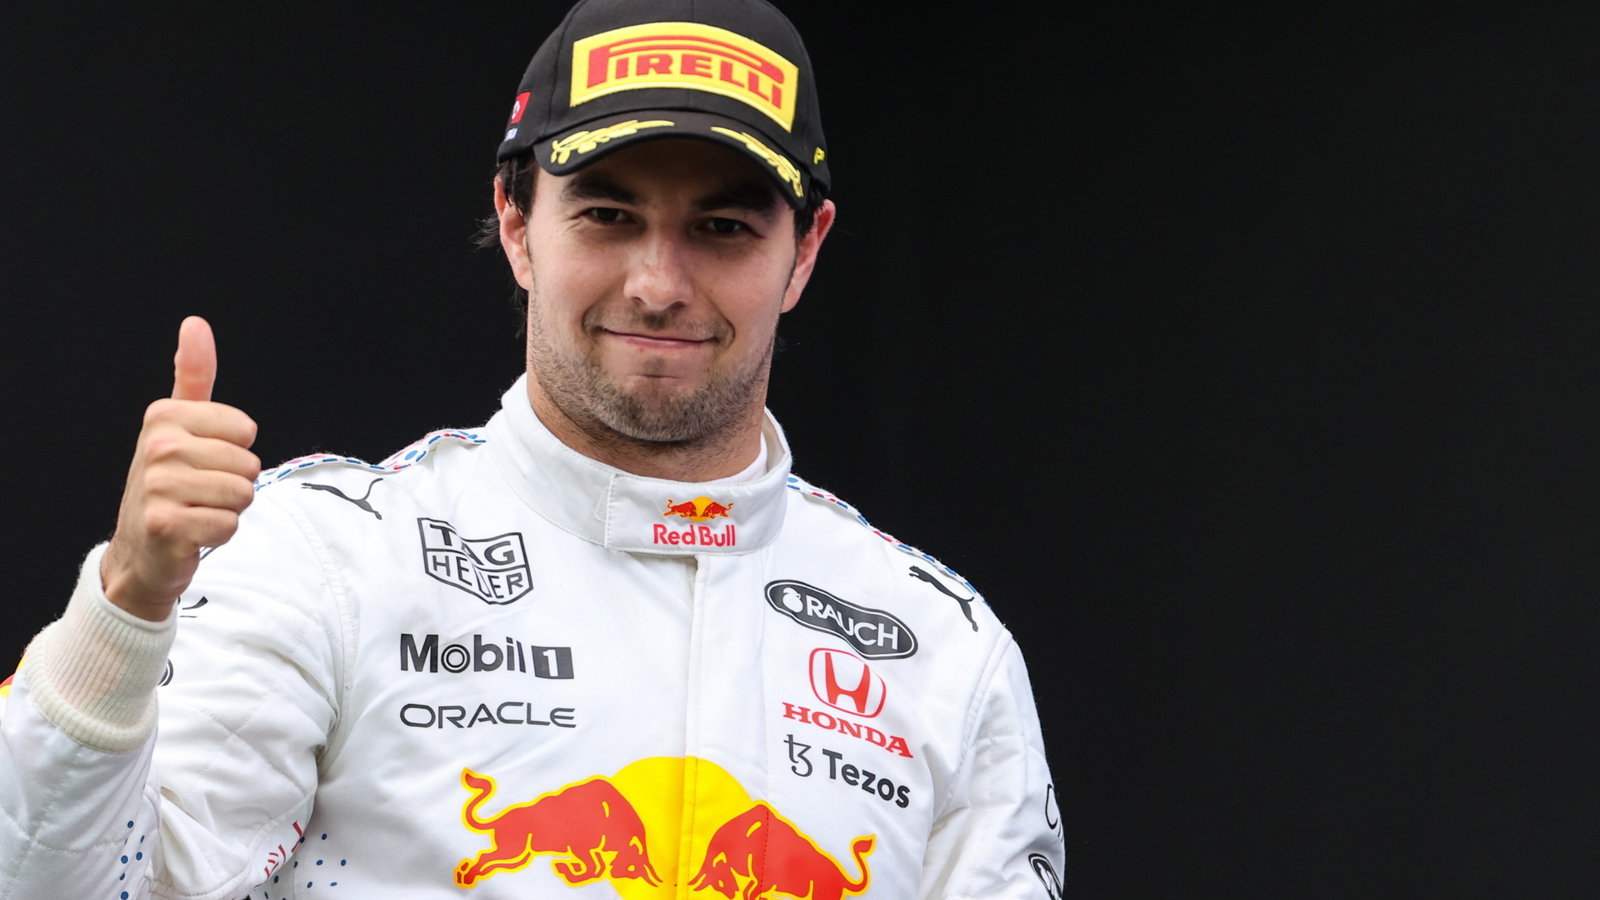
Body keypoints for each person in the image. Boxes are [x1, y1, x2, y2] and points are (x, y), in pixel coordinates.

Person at [0, 0, 1064, 896]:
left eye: (723, 228)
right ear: (516, 222)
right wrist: (126, 608)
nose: (657, 280)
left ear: (805, 253)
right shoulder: (323, 559)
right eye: (607, 214)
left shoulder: (941, 651)